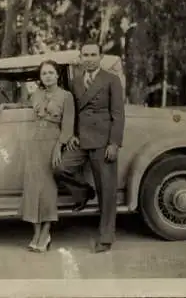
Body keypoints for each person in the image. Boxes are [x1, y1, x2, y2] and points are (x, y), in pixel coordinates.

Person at [0, 60, 75, 253]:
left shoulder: (66, 96)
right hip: (34, 142)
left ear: (57, 75)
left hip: (53, 142)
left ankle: (46, 231)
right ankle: (35, 233)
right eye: (44, 74)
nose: (48, 76)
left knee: (47, 188)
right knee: (32, 187)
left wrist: (58, 147)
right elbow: (22, 105)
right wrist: (4, 106)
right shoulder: (36, 94)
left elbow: (68, 125)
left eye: (51, 73)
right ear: (41, 77)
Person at [54, 41, 125, 253]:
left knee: (107, 190)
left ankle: (105, 237)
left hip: (103, 142)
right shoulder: (75, 82)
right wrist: (72, 134)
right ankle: (84, 193)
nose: (90, 58)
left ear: (100, 57)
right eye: (86, 55)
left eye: (94, 55)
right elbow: (71, 111)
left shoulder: (111, 80)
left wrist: (114, 143)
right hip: (81, 140)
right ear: (81, 58)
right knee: (60, 168)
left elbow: (118, 114)